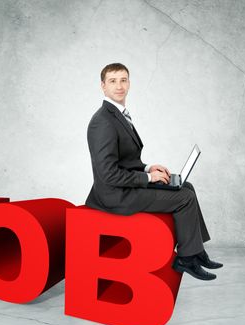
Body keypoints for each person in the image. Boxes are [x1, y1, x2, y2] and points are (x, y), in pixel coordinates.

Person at [85, 63, 223, 281]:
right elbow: (108, 174)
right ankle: (186, 259)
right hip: (115, 196)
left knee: (187, 186)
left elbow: (124, 160)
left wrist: (149, 167)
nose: (119, 86)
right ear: (103, 86)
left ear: (129, 83)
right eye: (112, 81)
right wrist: (149, 178)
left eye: (123, 80)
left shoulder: (118, 115)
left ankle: (196, 251)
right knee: (184, 197)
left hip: (124, 187)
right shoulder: (102, 121)